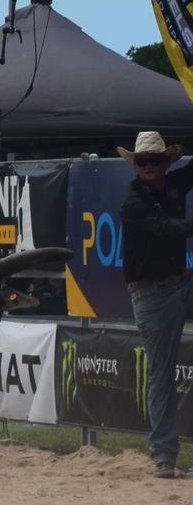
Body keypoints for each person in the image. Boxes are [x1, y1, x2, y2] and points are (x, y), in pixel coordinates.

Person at [118, 131, 193, 479]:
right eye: (142, 161)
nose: (148, 166)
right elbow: (168, 229)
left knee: (161, 375)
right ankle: (164, 456)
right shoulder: (132, 203)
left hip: (182, 282)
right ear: (135, 165)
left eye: (154, 161)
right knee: (161, 375)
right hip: (151, 295)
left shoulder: (174, 182)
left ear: (166, 163)